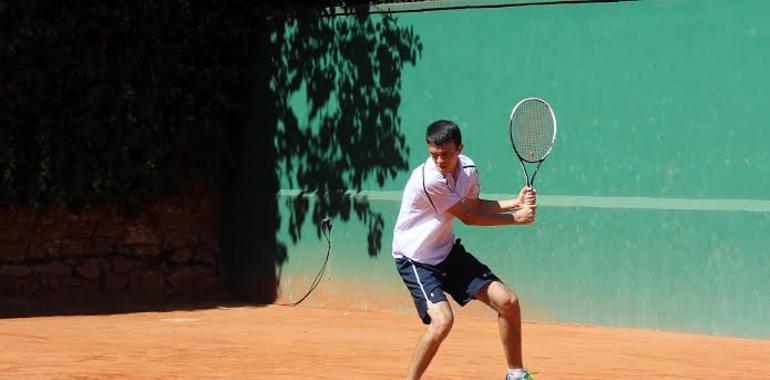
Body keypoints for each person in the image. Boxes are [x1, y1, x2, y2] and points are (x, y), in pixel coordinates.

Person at [392, 120, 537, 380]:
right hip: (415, 258)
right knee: (442, 322)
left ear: (460, 148)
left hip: (446, 252)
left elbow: (473, 205)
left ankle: (516, 374)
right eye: (433, 154)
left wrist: (515, 202)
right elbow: (468, 217)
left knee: (508, 302)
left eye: (446, 153)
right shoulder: (430, 179)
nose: (439, 160)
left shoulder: (468, 169)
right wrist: (517, 217)